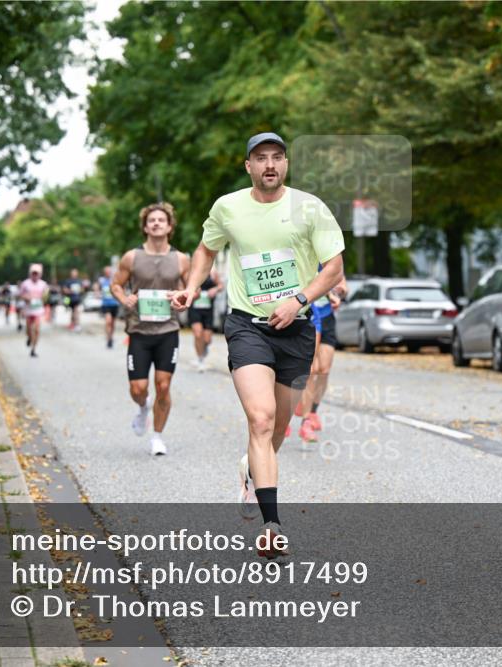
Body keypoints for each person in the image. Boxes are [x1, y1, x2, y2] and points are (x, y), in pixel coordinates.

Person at [170, 132, 345, 558]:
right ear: (248, 166)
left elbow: (334, 268)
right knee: (261, 420)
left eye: (277, 157)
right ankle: (272, 526)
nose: (270, 164)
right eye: (261, 158)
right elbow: (206, 250)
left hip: (297, 328)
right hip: (247, 326)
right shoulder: (227, 207)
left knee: (278, 428)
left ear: (286, 164)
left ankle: (251, 469)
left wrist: (299, 299)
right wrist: (192, 287)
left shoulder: (310, 208)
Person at [111, 202, 189, 457]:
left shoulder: (181, 259)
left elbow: (192, 289)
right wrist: (125, 299)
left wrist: (182, 296)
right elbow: (116, 284)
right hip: (139, 331)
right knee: (138, 388)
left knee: (163, 386)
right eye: (151, 220)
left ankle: (157, 437)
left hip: (168, 330)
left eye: (161, 220)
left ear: (169, 226)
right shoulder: (131, 257)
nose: (156, 223)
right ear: (145, 227)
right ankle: (143, 407)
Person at [292, 271, 348, 441]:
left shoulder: (330, 260)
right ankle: (305, 420)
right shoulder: (304, 259)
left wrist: (339, 292)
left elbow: (343, 285)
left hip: (327, 317)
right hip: (309, 314)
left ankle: (313, 410)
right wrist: (329, 292)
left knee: (324, 369)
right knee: (311, 369)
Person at [187, 268, 224, 372]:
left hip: (208, 309)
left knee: (207, 339)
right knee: (198, 333)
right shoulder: (192, 270)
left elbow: (221, 286)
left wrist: (215, 289)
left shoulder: (213, 272)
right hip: (194, 308)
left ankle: (203, 350)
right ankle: (200, 360)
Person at [18, 264, 49, 358]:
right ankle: (29, 337)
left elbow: (46, 296)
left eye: (37, 274)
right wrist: (27, 298)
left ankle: (33, 349)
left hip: (38, 309)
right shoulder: (25, 283)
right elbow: (20, 295)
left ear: (40, 274)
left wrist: (44, 297)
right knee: (28, 330)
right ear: (30, 274)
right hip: (28, 309)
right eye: (33, 273)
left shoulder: (43, 284)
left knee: (36, 330)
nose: (35, 275)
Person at [99, 266, 120, 349]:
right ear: (104, 272)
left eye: (109, 271)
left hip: (114, 304)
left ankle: (111, 336)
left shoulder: (115, 280)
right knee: (108, 321)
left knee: (113, 323)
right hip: (106, 304)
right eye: (106, 271)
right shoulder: (101, 280)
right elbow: (97, 288)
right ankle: (108, 339)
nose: (108, 273)